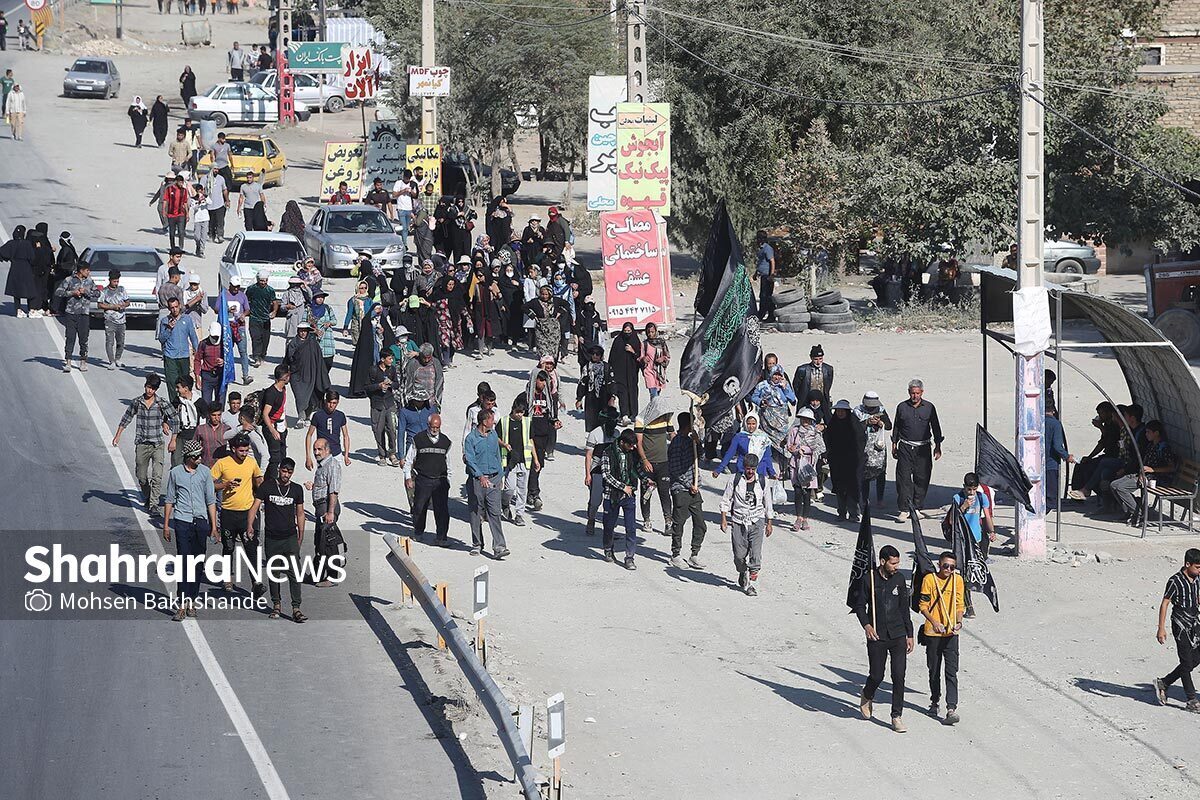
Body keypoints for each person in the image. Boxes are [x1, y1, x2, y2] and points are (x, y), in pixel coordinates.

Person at [856, 544, 914, 733]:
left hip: (898, 634)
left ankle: (896, 715)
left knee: (899, 675)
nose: (896, 567)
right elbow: (859, 606)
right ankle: (867, 694)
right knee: (877, 675)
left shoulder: (898, 579)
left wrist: (909, 634)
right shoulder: (869, 579)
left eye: (898, 563)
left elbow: (905, 609)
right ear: (883, 561)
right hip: (877, 635)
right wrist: (867, 625)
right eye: (893, 563)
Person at [162, 438, 218, 620]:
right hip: (182, 521)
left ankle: (192, 600)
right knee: (184, 562)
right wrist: (166, 525)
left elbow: (211, 500)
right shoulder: (176, 473)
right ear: (188, 457)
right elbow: (170, 498)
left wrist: (214, 526)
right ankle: (182, 604)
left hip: (200, 522)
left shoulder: (205, 473)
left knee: (197, 564)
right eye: (196, 456)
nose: (200, 458)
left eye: (200, 455)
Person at [247, 457, 308, 622]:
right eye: (284, 471)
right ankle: (276, 605)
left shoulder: (296, 490)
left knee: (294, 573)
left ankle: (296, 608)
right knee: (274, 573)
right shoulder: (267, 486)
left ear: (292, 473)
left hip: (289, 537)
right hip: (272, 538)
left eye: (289, 472)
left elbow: (300, 513)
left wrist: (301, 534)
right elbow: (255, 506)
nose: (286, 475)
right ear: (279, 469)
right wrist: (250, 526)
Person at [114, 375, 179, 514]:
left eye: (153, 388)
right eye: (148, 387)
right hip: (142, 444)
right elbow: (127, 417)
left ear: (156, 389)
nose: (150, 390)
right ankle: (149, 496)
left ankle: (154, 505)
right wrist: (118, 435)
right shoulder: (137, 402)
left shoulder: (162, 403)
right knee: (141, 476)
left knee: (157, 475)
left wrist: (173, 439)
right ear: (145, 386)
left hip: (157, 444)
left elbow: (175, 418)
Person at [211, 433, 265, 596]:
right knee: (228, 547)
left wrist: (261, 494)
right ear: (233, 449)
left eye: (247, 450)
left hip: (247, 514)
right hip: (228, 513)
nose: (244, 453)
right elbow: (209, 484)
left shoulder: (251, 462)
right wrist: (225, 484)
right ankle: (227, 578)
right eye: (241, 450)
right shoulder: (222, 463)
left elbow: (258, 480)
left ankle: (256, 583)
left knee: (251, 548)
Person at [720, 452, 774, 596]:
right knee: (739, 555)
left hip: (757, 521)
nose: (750, 471)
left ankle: (751, 585)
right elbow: (726, 499)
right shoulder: (735, 479)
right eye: (748, 468)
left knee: (755, 554)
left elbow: (768, 502)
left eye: (753, 469)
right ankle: (742, 572)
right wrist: (724, 519)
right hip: (738, 521)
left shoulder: (763, 481)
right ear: (744, 467)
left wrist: (769, 522)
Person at [1154, 548, 1200, 712]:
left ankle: (1165, 682)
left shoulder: (1197, 579)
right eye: (1197, 567)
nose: (1199, 570)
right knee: (1187, 662)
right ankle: (1191, 699)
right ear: (1187, 564)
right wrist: (1161, 628)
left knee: (1194, 660)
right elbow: (1165, 603)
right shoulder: (1175, 581)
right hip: (1180, 625)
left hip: (1195, 623)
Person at [892, 379, 943, 521]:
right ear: (909, 393)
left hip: (923, 448)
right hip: (905, 447)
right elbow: (896, 426)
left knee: (922, 478)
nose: (915, 396)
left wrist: (938, 446)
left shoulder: (929, 407)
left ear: (922, 393)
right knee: (903, 479)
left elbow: (936, 427)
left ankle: (917, 507)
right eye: (912, 393)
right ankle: (903, 510)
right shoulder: (901, 407)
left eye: (917, 393)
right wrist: (894, 444)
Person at [601, 429, 651, 570]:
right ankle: (608, 549)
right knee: (609, 526)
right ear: (622, 442)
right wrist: (623, 487)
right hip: (612, 495)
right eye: (630, 445)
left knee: (631, 528)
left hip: (629, 495)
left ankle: (629, 557)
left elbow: (636, 469)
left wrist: (646, 480)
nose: (632, 448)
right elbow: (606, 475)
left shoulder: (632, 453)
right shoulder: (608, 452)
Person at [464, 408, 509, 559]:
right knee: (476, 512)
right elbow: (470, 460)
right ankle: (477, 544)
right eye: (491, 419)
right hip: (477, 480)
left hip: (494, 478)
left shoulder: (493, 434)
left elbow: (497, 454)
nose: (493, 421)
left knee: (494, 512)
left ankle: (499, 546)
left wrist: (500, 475)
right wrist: (480, 476)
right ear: (484, 421)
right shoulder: (471, 439)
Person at [1111, 419, 1175, 527]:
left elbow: (1171, 468)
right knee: (1114, 485)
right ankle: (1131, 509)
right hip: (1144, 475)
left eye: (1148, 432)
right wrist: (1142, 473)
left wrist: (1153, 470)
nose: (1146, 435)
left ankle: (1137, 513)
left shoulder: (1164, 448)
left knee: (1122, 488)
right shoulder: (1150, 446)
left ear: (1156, 433)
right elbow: (1144, 464)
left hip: (1156, 478)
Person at [404, 413, 453, 545]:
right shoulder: (418, 439)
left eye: (437, 427)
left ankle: (441, 537)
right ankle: (418, 532)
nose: (435, 430)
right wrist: (408, 477)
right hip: (423, 479)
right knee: (419, 507)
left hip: (440, 480)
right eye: (433, 427)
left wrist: (448, 481)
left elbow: (448, 463)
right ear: (428, 425)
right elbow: (409, 460)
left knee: (442, 510)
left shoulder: (445, 442)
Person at [667, 412, 706, 570]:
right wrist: (688, 484)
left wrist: (698, 444)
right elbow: (675, 469)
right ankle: (675, 554)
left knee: (700, 524)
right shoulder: (676, 442)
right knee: (679, 523)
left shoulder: (691, 441)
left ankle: (694, 554)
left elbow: (701, 457)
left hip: (694, 489)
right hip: (681, 489)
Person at [635, 399, 675, 534]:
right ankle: (646, 520)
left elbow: (672, 435)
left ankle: (668, 521)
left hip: (664, 462)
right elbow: (638, 443)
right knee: (646, 493)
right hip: (648, 464)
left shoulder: (666, 418)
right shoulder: (641, 419)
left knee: (664, 493)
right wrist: (645, 460)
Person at [498, 395, 539, 526]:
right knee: (509, 488)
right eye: (518, 412)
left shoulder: (527, 422)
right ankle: (505, 503)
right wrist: (504, 445)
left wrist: (536, 460)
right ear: (513, 410)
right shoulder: (504, 421)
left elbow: (531, 441)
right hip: (510, 462)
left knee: (522, 490)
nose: (520, 415)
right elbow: (496, 437)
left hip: (524, 461)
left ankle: (519, 514)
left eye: (522, 412)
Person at [1069, 402, 1121, 501]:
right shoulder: (1107, 425)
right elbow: (1101, 444)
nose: (1100, 416)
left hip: (1113, 456)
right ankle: (1078, 494)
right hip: (1106, 455)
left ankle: (1093, 492)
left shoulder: (1115, 426)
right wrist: (1089, 456)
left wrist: (1101, 428)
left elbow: (1110, 440)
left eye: (1101, 413)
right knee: (1082, 465)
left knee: (1092, 468)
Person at [825, 400, 867, 522]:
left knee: (852, 488)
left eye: (842, 411)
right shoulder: (833, 424)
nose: (840, 413)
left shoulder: (854, 424)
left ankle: (854, 514)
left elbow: (861, 442)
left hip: (852, 463)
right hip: (837, 462)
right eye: (838, 411)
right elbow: (828, 440)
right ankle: (841, 513)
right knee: (839, 488)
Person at [54, 260, 100, 372]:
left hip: (84, 313)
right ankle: (68, 362)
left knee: (84, 338)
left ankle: (83, 361)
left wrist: (86, 292)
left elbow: (97, 293)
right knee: (70, 337)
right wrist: (72, 293)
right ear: (81, 270)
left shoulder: (89, 281)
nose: (89, 272)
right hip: (71, 313)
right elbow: (58, 292)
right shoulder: (69, 280)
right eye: (87, 270)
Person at [785, 407, 825, 531]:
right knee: (797, 492)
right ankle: (798, 517)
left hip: (809, 465)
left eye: (807, 419)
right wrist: (797, 450)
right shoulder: (794, 431)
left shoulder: (815, 433)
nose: (805, 421)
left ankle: (805, 519)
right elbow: (789, 446)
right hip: (796, 464)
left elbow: (821, 448)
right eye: (803, 419)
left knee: (807, 493)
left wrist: (807, 450)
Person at [284, 322, 329, 427]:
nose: (303, 333)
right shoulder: (293, 343)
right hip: (297, 375)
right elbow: (289, 358)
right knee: (300, 396)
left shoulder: (313, 343)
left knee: (310, 396)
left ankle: (307, 417)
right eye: (301, 330)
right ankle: (301, 417)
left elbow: (318, 358)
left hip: (311, 374)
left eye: (305, 331)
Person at [157, 296, 198, 405]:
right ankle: (174, 406)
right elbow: (161, 339)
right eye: (172, 308)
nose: (174, 309)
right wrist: (169, 328)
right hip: (170, 356)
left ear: (179, 306)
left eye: (176, 307)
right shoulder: (164, 321)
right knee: (172, 383)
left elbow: (193, 335)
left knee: (185, 383)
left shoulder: (187, 319)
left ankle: (186, 404)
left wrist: (196, 350)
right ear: (169, 309)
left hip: (184, 356)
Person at [854, 392, 892, 507]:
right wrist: (867, 422)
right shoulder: (857, 412)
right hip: (864, 444)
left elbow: (889, 425)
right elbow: (854, 427)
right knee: (865, 472)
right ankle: (865, 499)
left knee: (881, 471)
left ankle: (880, 499)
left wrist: (881, 423)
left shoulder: (881, 410)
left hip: (878, 445)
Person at [367, 350, 400, 466]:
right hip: (377, 405)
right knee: (378, 430)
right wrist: (378, 386)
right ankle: (382, 455)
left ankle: (392, 453)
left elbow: (397, 384)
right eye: (390, 358)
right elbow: (367, 387)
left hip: (390, 404)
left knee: (392, 430)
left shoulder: (392, 370)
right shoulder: (373, 370)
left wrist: (391, 383)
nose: (391, 361)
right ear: (382, 359)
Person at [260, 365, 290, 480]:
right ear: (285, 377)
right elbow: (265, 414)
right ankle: (270, 481)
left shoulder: (283, 389)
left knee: (282, 455)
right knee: (275, 458)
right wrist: (272, 430)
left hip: (281, 426)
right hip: (272, 427)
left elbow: (283, 407)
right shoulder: (271, 393)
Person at [96, 269, 130, 369]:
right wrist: (112, 307)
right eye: (114, 281)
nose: (116, 283)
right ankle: (111, 361)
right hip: (109, 319)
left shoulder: (122, 289)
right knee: (110, 341)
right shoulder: (104, 291)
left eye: (117, 281)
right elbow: (99, 305)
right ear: (109, 280)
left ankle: (117, 358)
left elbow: (128, 301)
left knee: (121, 342)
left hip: (121, 320)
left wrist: (124, 305)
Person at [219, 276, 250, 383]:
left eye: (238, 287)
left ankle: (245, 375)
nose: (236, 289)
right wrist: (226, 309)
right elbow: (216, 309)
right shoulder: (223, 295)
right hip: (227, 327)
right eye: (234, 287)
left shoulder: (242, 296)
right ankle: (226, 374)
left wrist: (243, 315)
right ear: (230, 285)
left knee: (243, 351)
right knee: (226, 351)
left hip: (239, 326)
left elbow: (247, 309)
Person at [608, 322, 642, 420]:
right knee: (622, 392)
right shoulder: (618, 341)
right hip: (619, 373)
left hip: (632, 373)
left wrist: (632, 351)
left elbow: (639, 357)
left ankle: (633, 414)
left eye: (629, 331)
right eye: (625, 331)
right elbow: (612, 357)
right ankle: (624, 414)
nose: (627, 333)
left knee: (632, 392)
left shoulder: (635, 341)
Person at [1, 225, 37, 316]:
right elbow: (32, 257)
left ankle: (18, 310)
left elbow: (2, 252)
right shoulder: (27, 244)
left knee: (16, 290)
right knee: (30, 289)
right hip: (26, 268)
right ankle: (31, 310)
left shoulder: (11, 243)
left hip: (15, 268)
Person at [245, 271, 278, 366]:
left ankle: (262, 355)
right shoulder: (251, 289)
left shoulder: (270, 290)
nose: (263, 282)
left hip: (265, 319)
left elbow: (274, 302)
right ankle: (256, 357)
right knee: (255, 338)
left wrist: (274, 312)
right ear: (258, 280)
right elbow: (246, 300)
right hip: (254, 317)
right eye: (261, 281)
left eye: (265, 281)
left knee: (265, 339)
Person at [1044, 408, 1074, 508]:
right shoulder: (1055, 424)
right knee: (1051, 498)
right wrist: (1066, 456)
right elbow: (1057, 446)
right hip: (1051, 463)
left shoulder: (1037, 422)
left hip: (1037, 463)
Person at [793, 345, 833, 417]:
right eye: (816, 359)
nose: (818, 362)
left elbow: (828, 384)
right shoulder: (802, 370)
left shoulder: (828, 369)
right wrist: (802, 397)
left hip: (822, 400)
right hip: (806, 401)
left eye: (820, 359)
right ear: (811, 358)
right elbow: (796, 386)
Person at [193, 321, 226, 408]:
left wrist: (223, 362)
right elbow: (197, 360)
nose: (215, 339)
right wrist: (197, 378)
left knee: (220, 403)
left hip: (221, 376)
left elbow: (229, 359)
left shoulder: (224, 344)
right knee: (206, 404)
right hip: (207, 376)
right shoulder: (203, 344)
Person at [172, 377, 199, 468]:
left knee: (193, 462)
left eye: (178, 387)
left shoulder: (198, 401)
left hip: (193, 436)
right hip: (181, 435)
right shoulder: (177, 400)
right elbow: (169, 412)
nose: (177, 390)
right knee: (176, 461)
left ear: (186, 389)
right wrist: (165, 422)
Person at [193, 402, 230, 468]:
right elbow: (194, 446)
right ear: (208, 415)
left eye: (219, 415)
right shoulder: (201, 429)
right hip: (206, 465)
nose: (216, 418)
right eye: (214, 415)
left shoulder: (227, 429)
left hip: (223, 466)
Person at [639, 322, 670, 399]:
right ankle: (654, 410)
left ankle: (653, 409)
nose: (650, 334)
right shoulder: (644, 344)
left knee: (657, 393)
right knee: (653, 394)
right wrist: (643, 359)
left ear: (656, 331)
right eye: (648, 332)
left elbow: (667, 356)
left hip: (659, 372)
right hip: (648, 371)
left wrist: (662, 359)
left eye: (652, 332)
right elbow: (640, 356)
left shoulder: (661, 343)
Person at [163, 173, 190, 251]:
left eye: (182, 182)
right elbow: (165, 200)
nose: (182, 184)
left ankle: (181, 247)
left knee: (181, 232)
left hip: (181, 214)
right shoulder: (169, 189)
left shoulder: (184, 191)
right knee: (172, 233)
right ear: (177, 182)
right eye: (180, 182)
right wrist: (164, 211)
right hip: (171, 214)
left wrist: (187, 214)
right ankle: (173, 247)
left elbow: (185, 203)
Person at [754, 232, 776, 322]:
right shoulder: (761, 248)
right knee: (763, 296)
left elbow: (772, 261)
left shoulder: (767, 248)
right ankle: (763, 315)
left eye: (759, 238)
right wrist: (756, 273)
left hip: (767, 276)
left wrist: (771, 275)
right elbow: (761, 262)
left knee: (766, 296)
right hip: (763, 275)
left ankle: (768, 316)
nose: (758, 240)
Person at [189, 186, 210, 258]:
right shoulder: (193, 199)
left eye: (201, 190)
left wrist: (205, 198)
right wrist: (198, 202)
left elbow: (210, 202)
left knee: (203, 236)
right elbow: (193, 208)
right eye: (198, 191)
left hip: (205, 219)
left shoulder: (206, 197)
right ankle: (198, 246)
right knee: (197, 236)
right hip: (197, 219)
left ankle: (201, 250)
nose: (200, 192)